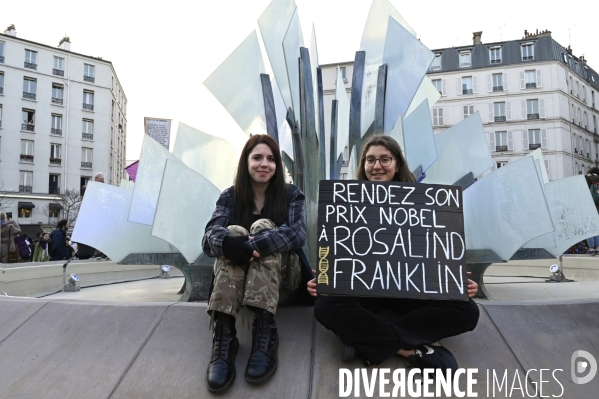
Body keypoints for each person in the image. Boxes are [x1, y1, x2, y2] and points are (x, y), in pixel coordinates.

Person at [307, 135, 480, 375]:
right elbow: (336, 251)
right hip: (364, 289)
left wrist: (455, 281)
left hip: (412, 291)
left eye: (384, 159)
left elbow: (438, 253)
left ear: (397, 164)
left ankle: (363, 340)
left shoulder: (425, 202)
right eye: (370, 160)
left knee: (467, 311)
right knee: (325, 305)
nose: (376, 166)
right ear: (363, 165)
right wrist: (326, 277)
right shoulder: (345, 202)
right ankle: (408, 350)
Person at [202, 134, 310, 393]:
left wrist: (251, 246)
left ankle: (265, 333)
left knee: (263, 229)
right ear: (246, 162)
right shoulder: (230, 196)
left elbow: (298, 233)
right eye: (257, 157)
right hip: (237, 291)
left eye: (271, 159)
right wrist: (232, 244)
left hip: (283, 285)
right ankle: (225, 338)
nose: (265, 164)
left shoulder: (291, 195)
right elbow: (208, 239)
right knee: (233, 232)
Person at [585, 167, 599, 255]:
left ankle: (591, 247)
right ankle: (597, 246)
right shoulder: (594, 183)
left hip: (589, 209)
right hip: (595, 209)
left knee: (588, 229)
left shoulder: (588, 182)